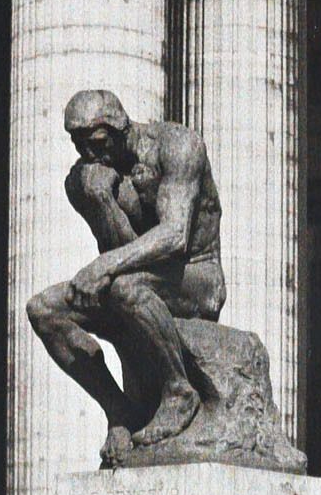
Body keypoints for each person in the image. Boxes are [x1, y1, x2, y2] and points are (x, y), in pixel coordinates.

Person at [25, 89, 227, 467]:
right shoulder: (85, 179)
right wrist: (102, 202)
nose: (89, 154)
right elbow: (119, 246)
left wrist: (105, 267)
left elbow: (175, 236)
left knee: (124, 285)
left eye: (97, 142)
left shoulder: (177, 146)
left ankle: (179, 391)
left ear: (120, 127)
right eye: (79, 144)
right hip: (140, 281)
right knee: (44, 309)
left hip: (196, 276)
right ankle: (119, 410)